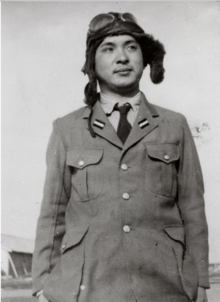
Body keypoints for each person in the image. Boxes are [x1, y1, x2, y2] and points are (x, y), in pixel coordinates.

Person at [32, 12, 209, 302]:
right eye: (108, 48)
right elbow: (53, 213)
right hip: (89, 287)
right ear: (93, 62)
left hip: (167, 286)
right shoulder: (66, 129)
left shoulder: (174, 124)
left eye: (131, 46)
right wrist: (41, 284)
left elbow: (192, 208)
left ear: (145, 58)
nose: (122, 57)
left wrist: (200, 282)